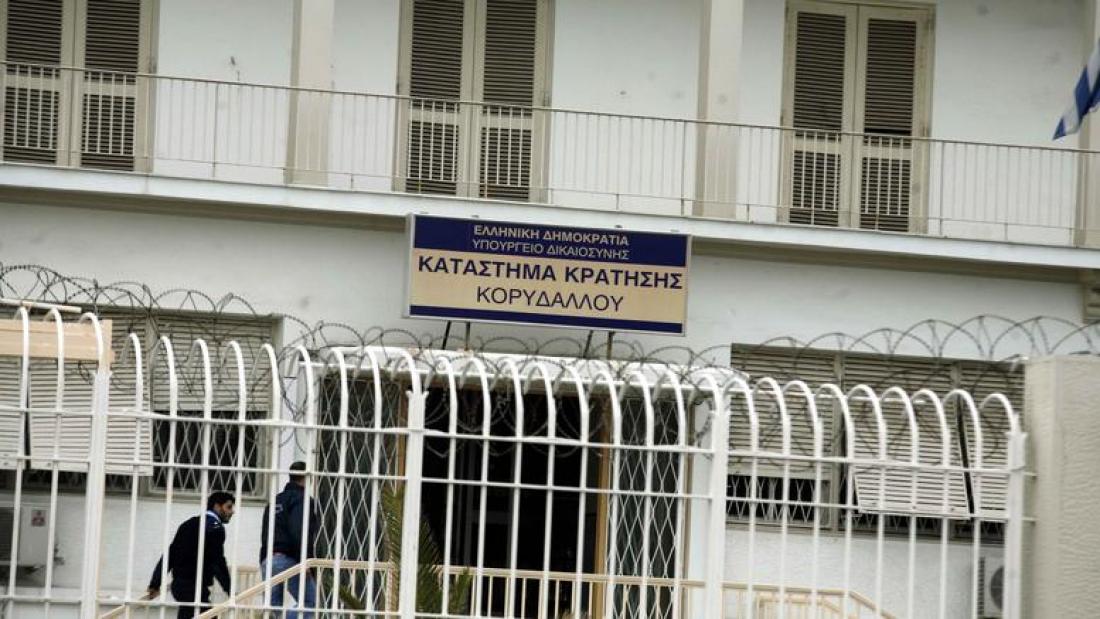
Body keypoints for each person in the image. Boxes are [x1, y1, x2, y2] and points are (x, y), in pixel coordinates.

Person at [147, 491, 236, 619]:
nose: (232, 511)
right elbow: (217, 561)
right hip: (194, 587)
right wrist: (230, 590)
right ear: (217, 506)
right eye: (229, 507)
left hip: (179, 585)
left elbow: (170, 554)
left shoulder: (189, 524)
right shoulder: (215, 527)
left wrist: (155, 583)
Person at [259, 461, 321, 618]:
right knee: (310, 603)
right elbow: (299, 531)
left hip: (269, 559)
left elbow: (265, 534)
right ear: (307, 478)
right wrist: (305, 560)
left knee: (274, 608)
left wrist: (264, 560)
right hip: (289, 560)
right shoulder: (301, 500)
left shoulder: (275, 501)